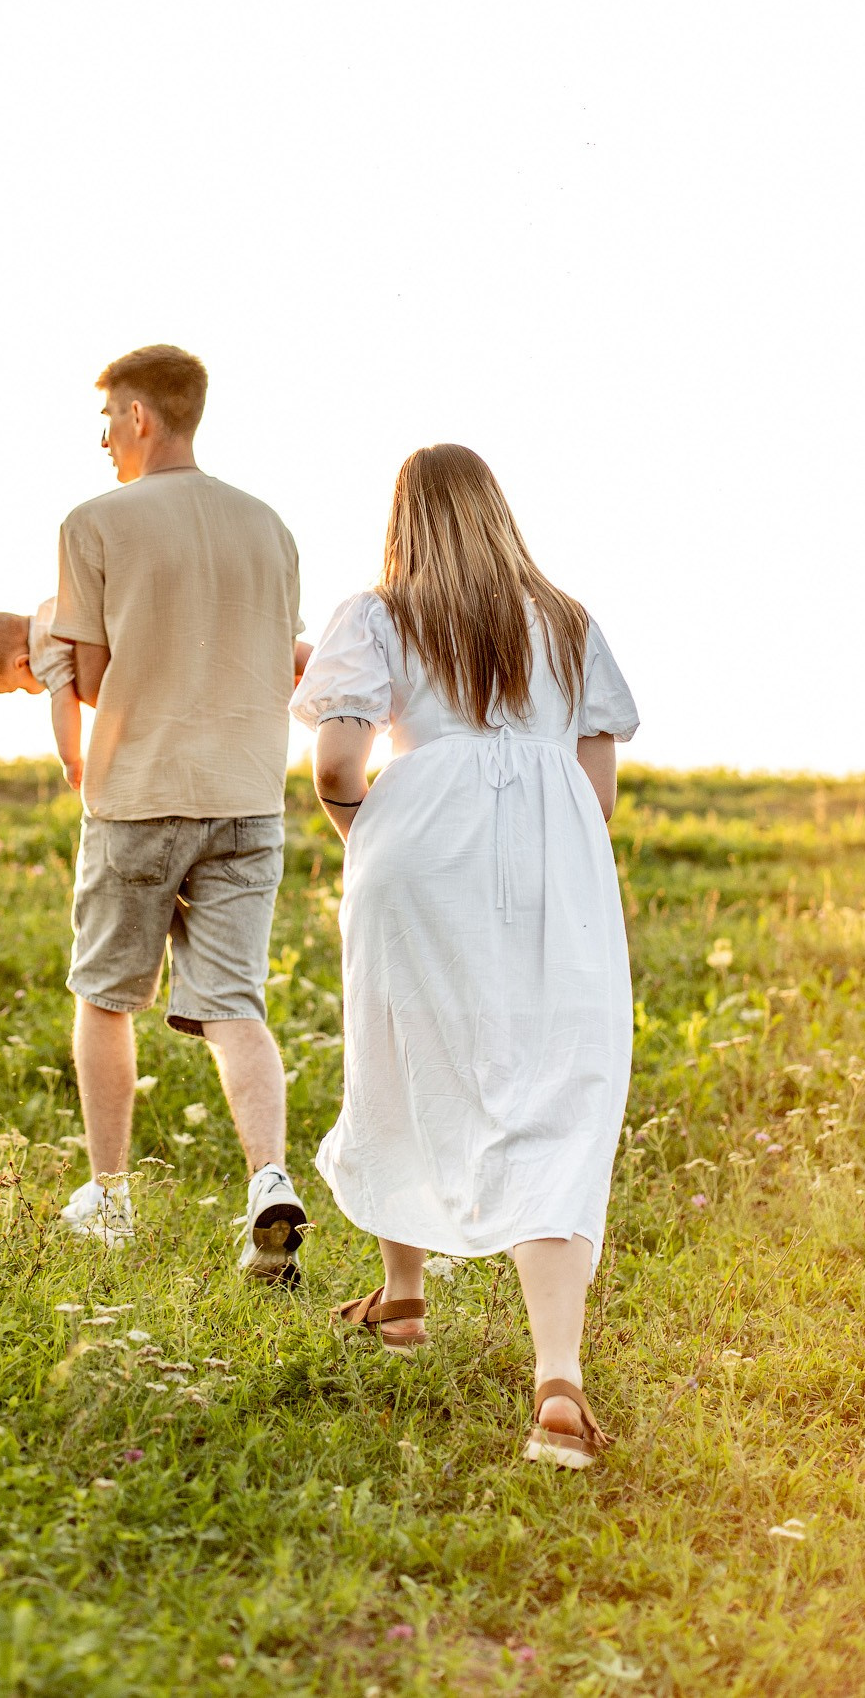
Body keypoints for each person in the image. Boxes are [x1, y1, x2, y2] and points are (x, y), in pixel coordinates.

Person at [292, 443, 638, 1467]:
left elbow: (336, 765)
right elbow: (596, 783)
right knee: (556, 1097)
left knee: (402, 1061)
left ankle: (404, 1296)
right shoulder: (567, 621)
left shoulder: (377, 613)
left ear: (404, 520)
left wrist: (374, 841)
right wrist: (546, 860)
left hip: (417, 850)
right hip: (553, 865)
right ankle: (555, 1384)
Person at [51, 343, 310, 1282]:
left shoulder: (95, 522)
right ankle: (267, 1180)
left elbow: (88, 678)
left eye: (108, 419)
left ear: (141, 418)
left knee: (108, 997)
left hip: (140, 797)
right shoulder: (270, 527)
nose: (103, 438)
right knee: (237, 1006)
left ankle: (111, 1199)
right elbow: (286, 657)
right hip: (249, 799)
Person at [0, 601, 84, 790]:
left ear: (23, 663)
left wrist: (70, 760)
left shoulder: (44, 653)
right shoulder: (51, 609)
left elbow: (64, 704)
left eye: (18, 688)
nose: (27, 693)